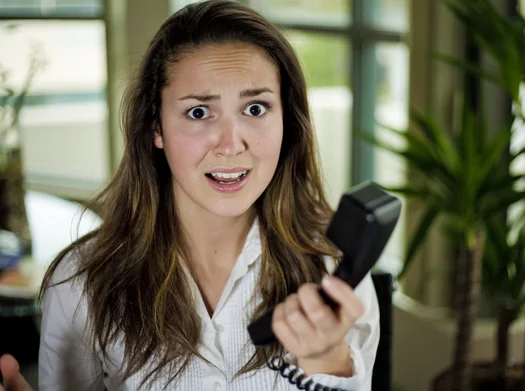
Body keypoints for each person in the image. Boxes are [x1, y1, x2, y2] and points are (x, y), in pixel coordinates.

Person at [0, 0, 380, 390]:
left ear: (287, 121)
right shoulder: (80, 283)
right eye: (199, 113)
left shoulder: (333, 271)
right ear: (156, 128)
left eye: (255, 108)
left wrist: (327, 362)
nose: (231, 145)